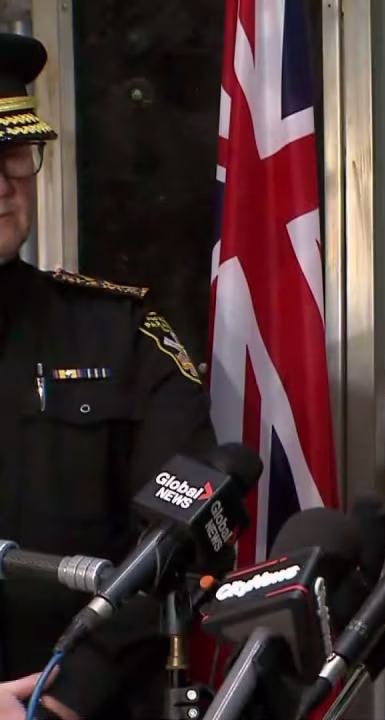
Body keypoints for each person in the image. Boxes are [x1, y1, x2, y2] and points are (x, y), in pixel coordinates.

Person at [0, 33, 216, 720]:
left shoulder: (122, 335)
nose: (3, 183)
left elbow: (183, 539)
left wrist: (62, 697)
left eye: (12, 154)